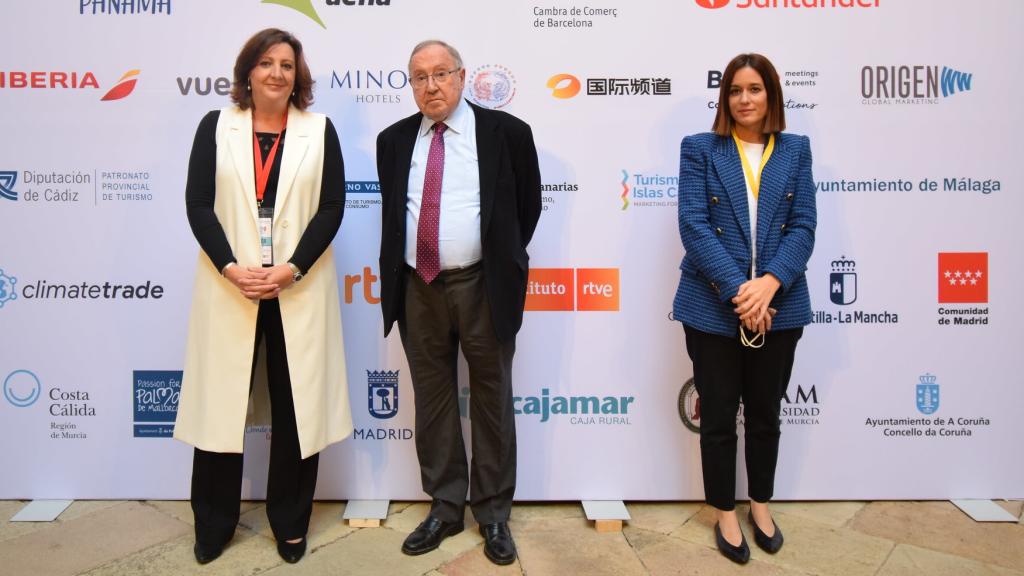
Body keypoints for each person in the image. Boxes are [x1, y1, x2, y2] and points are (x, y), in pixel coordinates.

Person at [174, 28, 351, 565]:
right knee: (219, 405)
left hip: (296, 287)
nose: (277, 73)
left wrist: (291, 269)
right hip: (233, 284)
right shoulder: (217, 126)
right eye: (267, 63)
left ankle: (290, 523)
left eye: (288, 65)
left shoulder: (319, 130)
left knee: (297, 406)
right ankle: (214, 521)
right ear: (247, 71)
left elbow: (331, 208)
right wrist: (231, 267)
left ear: (299, 77)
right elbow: (199, 203)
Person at [376, 40, 541, 566]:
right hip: (417, 286)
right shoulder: (393, 140)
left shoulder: (507, 134)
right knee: (434, 398)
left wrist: (495, 259)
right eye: (419, 77)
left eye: (441, 74)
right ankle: (445, 507)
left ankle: (492, 514)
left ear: (462, 76)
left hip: (483, 284)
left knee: (491, 397)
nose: (431, 86)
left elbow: (526, 209)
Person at [672, 53, 816, 564]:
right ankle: (725, 512)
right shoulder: (701, 149)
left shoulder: (795, 150)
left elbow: (803, 227)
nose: (744, 99)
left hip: (781, 307)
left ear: (771, 95)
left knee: (765, 416)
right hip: (712, 305)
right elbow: (693, 224)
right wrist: (743, 291)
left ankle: (760, 505)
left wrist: (770, 284)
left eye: (754, 89)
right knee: (716, 417)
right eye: (735, 90)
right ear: (724, 98)